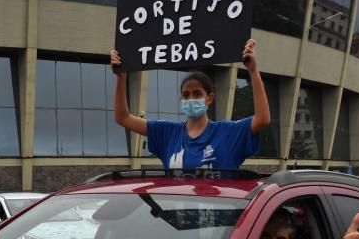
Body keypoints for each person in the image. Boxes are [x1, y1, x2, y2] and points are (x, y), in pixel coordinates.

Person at [110, 39, 270, 170]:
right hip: (176, 209)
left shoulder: (227, 133)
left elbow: (262, 119)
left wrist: (253, 71)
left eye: (197, 94)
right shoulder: (167, 133)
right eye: (186, 95)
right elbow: (123, 118)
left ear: (210, 98)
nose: (191, 98)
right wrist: (121, 78)